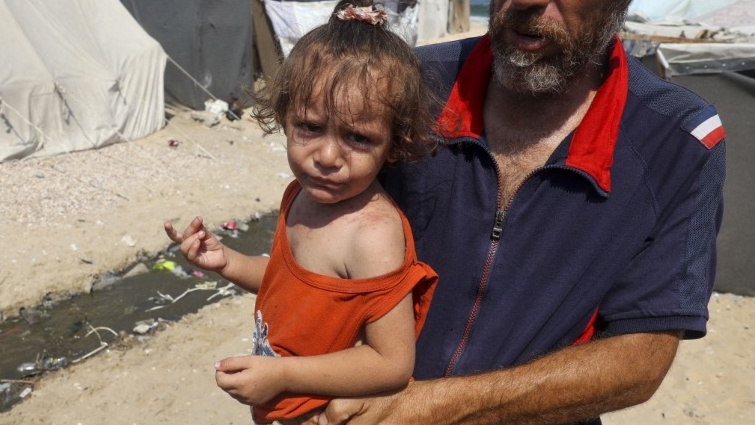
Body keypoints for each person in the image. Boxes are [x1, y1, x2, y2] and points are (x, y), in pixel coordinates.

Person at [308, 0, 727, 424]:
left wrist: (429, 408)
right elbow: (309, 245)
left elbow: (640, 360)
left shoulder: (678, 138)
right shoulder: (406, 83)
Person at [164, 1, 438, 423]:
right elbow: (289, 282)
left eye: (359, 138)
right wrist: (228, 262)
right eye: (310, 127)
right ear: (285, 117)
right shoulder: (300, 195)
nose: (327, 156)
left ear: (395, 143)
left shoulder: (371, 235)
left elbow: (391, 363)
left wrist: (283, 376)